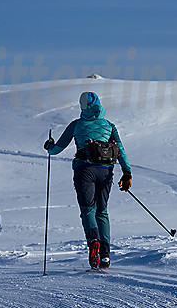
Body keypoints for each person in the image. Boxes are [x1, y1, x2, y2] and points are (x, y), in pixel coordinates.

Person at [44, 92, 132, 269]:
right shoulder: (109, 125)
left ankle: (93, 241)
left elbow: (56, 150)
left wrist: (49, 146)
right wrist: (127, 172)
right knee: (102, 212)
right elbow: (120, 149)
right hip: (106, 172)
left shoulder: (77, 125)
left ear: (82, 106)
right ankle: (105, 256)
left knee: (88, 210)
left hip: (84, 170)